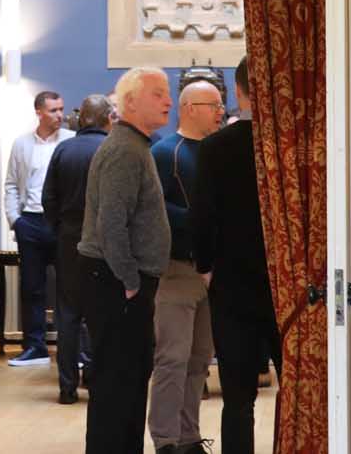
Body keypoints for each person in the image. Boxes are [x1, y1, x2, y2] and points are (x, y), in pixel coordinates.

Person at [79, 68, 173, 454]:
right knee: (117, 386)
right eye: (159, 94)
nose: (168, 101)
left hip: (121, 281)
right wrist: (131, 280)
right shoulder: (122, 150)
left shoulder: (134, 145)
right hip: (116, 283)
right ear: (130, 101)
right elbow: (111, 224)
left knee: (129, 382)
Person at [192, 59, 284, 454]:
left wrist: (205, 266)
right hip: (288, 284)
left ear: (239, 90)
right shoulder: (292, 142)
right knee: (298, 392)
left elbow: (202, 215)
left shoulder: (215, 147)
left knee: (238, 398)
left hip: (232, 285)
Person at [147, 80, 226, 454]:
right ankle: (165, 439)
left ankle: (189, 435)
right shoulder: (165, 152)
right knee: (172, 360)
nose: (221, 111)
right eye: (213, 104)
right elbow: (156, 210)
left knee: (198, 362)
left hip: (210, 272)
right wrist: (202, 219)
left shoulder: (214, 151)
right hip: (177, 269)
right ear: (189, 107)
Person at [42, 93, 116, 405]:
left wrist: (60, 229)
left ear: (80, 118)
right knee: (103, 314)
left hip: (69, 239)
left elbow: (48, 199)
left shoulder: (63, 149)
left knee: (68, 315)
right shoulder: (113, 149)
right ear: (106, 118)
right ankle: (98, 383)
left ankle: (67, 388)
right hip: (106, 241)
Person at [3, 90, 73, 366]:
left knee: (68, 286)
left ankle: (72, 348)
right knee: (32, 287)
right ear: (39, 112)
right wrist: (15, 220)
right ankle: (35, 347)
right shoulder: (21, 144)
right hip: (30, 221)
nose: (60, 115)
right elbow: (10, 184)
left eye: (61, 109)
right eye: (54, 110)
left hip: (60, 222)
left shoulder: (70, 140)